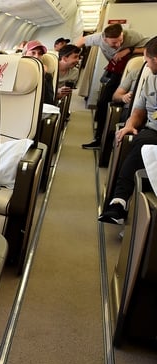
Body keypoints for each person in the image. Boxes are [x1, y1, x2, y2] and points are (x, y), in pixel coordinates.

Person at [98, 37, 157, 225]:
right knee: (140, 141)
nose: (146, 65)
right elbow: (139, 110)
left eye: (147, 61)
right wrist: (130, 123)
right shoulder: (149, 80)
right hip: (153, 131)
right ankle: (119, 202)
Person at [75, 23, 151, 149]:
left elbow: (149, 48)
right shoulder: (98, 38)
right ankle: (99, 137)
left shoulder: (132, 36)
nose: (118, 45)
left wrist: (129, 50)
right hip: (117, 71)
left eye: (120, 40)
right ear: (104, 40)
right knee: (103, 101)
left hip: (131, 69)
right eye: (114, 43)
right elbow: (82, 41)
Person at [23, 40, 56, 105]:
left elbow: (48, 102)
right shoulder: (17, 72)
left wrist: (42, 77)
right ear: (24, 54)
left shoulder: (47, 76)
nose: (37, 56)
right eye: (33, 53)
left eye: (40, 53)